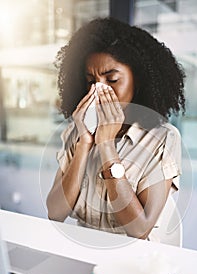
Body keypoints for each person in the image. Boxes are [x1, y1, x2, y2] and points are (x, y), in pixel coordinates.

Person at [46, 17, 185, 240]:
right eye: (91, 81)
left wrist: (107, 145)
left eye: (111, 79)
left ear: (137, 81)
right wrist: (84, 144)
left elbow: (139, 229)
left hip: (135, 260)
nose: (99, 91)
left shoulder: (163, 138)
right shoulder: (77, 131)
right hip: (82, 249)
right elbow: (55, 212)